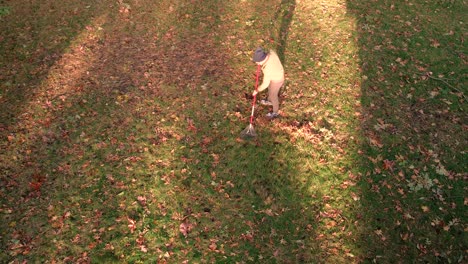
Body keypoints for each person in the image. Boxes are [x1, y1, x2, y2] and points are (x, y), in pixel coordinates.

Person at [252, 47, 285, 119]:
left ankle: (275, 112)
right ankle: (269, 101)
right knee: (270, 89)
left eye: (257, 62)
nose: (257, 63)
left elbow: (265, 84)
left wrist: (257, 90)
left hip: (277, 79)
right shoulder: (271, 52)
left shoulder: (267, 69)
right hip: (276, 73)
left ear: (261, 60)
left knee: (273, 95)